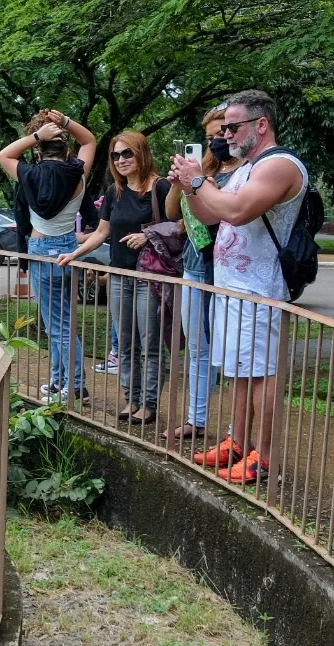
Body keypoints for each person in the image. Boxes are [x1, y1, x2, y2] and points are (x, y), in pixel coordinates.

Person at [169, 90, 310, 484]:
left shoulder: (279, 165)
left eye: (233, 126)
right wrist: (188, 185)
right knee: (239, 371)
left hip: (260, 289)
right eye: (225, 127)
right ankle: (237, 441)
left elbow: (236, 210)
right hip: (232, 287)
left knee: (263, 374)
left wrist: (197, 178)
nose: (226, 134)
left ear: (260, 125)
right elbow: (210, 214)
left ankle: (263, 459)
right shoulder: (246, 167)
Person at [58, 131, 171, 425]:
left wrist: (147, 235)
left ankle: (148, 402)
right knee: (125, 343)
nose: (120, 160)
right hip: (120, 277)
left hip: (150, 276)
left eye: (127, 154)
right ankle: (131, 399)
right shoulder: (114, 192)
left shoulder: (161, 187)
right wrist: (74, 254)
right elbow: (101, 233)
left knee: (150, 343)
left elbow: (181, 224)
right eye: (115, 155)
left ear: (142, 154)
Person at [0, 108, 97, 404]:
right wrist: (65, 122)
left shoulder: (30, 175)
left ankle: (75, 385)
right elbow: (90, 141)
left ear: (38, 151)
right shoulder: (77, 173)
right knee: (63, 322)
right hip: (69, 248)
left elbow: (4, 155)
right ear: (66, 148)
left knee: (57, 327)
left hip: (42, 251)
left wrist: (36, 135)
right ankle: (58, 380)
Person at [160, 105, 243, 442]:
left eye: (223, 132)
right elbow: (170, 212)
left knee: (236, 352)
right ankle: (196, 419)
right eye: (209, 137)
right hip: (195, 267)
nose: (217, 141)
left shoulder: (246, 173)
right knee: (198, 348)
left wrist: (202, 186)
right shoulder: (204, 170)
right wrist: (182, 183)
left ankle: (237, 432)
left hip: (227, 271)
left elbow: (224, 213)